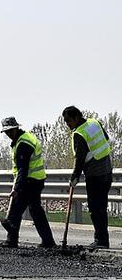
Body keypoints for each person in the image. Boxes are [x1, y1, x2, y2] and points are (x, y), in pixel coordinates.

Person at [0, 117, 56, 248]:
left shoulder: (23, 143)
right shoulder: (24, 138)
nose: (8, 134)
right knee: (36, 211)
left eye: (10, 131)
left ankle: (11, 240)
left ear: (16, 128)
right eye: (6, 132)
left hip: (29, 181)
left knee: (15, 210)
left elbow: (23, 169)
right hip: (37, 179)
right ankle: (48, 241)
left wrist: (17, 188)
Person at [62, 106, 113, 249]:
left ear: (76, 117)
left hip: (95, 175)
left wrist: (74, 178)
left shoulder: (79, 134)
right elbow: (106, 138)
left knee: (96, 209)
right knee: (101, 207)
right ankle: (103, 239)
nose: (68, 125)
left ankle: (101, 241)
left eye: (68, 121)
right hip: (107, 171)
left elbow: (79, 159)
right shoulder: (94, 123)